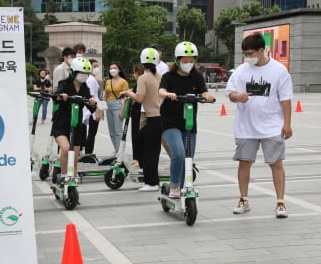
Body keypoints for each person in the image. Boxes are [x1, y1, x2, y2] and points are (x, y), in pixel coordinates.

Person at [226, 33, 293, 218]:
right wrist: (237, 97)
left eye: (250, 53)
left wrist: (287, 124)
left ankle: (280, 203)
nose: (247, 57)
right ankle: (243, 199)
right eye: (245, 54)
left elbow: (286, 100)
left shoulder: (279, 71)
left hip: (272, 126)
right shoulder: (241, 70)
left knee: (276, 163)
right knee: (244, 162)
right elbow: (230, 92)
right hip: (246, 127)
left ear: (261, 50)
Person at [159, 41, 214, 198]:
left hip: (189, 121)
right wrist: (167, 94)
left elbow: (204, 92)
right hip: (170, 120)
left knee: (188, 156)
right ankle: (174, 185)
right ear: (177, 60)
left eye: (191, 61)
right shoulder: (168, 76)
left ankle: (183, 187)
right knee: (179, 153)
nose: (188, 64)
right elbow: (161, 90)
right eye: (185, 61)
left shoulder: (196, 77)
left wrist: (208, 96)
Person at [120, 48, 162, 192]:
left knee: (149, 151)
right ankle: (150, 178)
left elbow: (139, 98)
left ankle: (151, 183)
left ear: (143, 62)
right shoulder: (159, 76)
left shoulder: (143, 77)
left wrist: (127, 93)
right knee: (140, 141)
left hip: (153, 117)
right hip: (159, 117)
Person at [50, 57, 96, 183]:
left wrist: (92, 102)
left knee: (74, 159)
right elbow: (55, 96)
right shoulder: (64, 84)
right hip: (61, 124)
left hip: (76, 126)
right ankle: (64, 177)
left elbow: (91, 107)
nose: (84, 76)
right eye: (81, 73)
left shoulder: (84, 88)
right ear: (73, 72)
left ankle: (72, 186)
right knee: (65, 149)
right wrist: (61, 96)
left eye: (86, 74)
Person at [104, 62, 129, 155]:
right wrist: (102, 108)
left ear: (119, 70)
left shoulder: (123, 81)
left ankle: (120, 151)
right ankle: (116, 149)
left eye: (114, 68)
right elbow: (105, 95)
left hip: (118, 104)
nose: (112, 70)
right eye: (110, 68)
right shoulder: (107, 81)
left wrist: (123, 110)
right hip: (108, 105)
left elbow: (125, 97)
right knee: (111, 131)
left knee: (118, 130)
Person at [84, 59, 103, 154]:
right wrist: (97, 111)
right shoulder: (91, 80)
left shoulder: (92, 79)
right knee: (92, 133)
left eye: (97, 66)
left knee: (91, 133)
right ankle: (88, 153)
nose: (96, 68)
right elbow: (92, 97)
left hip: (94, 109)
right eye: (94, 66)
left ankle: (88, 152)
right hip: (93, 110)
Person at [129, 65, 144, 167]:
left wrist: (129, 95)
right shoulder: (139, 83)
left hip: (139, 112)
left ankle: (137, 158)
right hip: (136, 112)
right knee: (136, 135)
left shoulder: (140, 83)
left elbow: (137, 98)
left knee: (136, 135)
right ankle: (136, 157)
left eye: (135, 73)